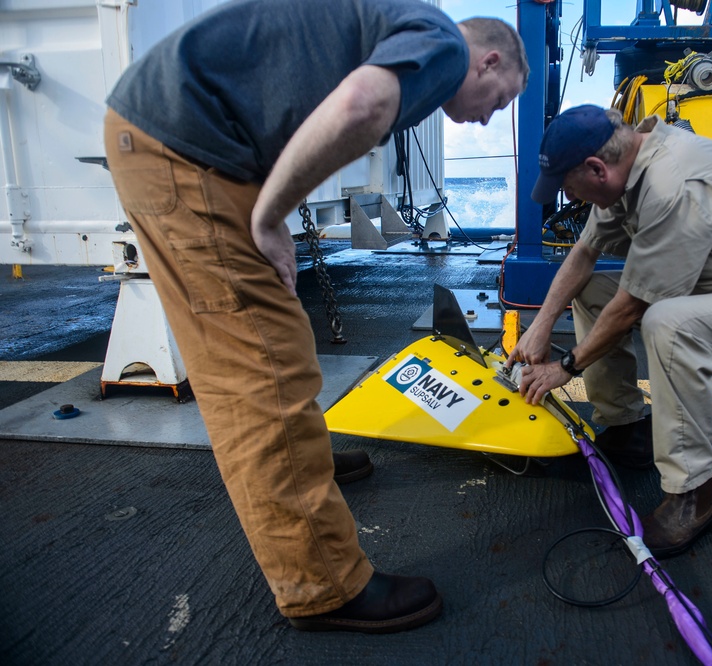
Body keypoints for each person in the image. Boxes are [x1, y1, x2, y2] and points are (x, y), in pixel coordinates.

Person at [103, 0, 528, 633]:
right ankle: (322, 585)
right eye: (500, 99)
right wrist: (270, 217)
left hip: (170, 135)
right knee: (259, 373)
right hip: (187, 152)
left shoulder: (398, 20)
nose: (487, 117)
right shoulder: (442, 43)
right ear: (488, 59)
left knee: (276, 349)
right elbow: (360, 106)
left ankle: (307, 467)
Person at [506, 105, 712, 557]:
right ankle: (627, 427)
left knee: (667, 323)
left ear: (597, 169)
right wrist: (540, 325)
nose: (573, 200)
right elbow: (584, 253)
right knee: (595, 290)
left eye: (570, 189)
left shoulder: (673, 184)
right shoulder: (627, 170)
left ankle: (695, 492)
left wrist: (567, 366)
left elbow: (634, 304)